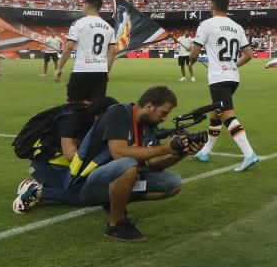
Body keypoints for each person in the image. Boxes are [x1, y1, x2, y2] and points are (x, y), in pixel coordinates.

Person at [68, 86, 202, 241]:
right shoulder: (118, 113)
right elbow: (119, 152)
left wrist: (181, 152)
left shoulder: (150, 126)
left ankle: (113, 201)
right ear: (150, 106)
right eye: (163, 113)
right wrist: (166, 148)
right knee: (128, 165)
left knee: (173, 183)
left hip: (113, 178)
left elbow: (154, 164)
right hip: (85, 184)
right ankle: (116, 225)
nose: (164, 118)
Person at [189, 0, 259, 172]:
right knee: (216, 114)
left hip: (218, 78)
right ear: (227, 6)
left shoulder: (206, 24)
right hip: (233, 77)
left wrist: (191, 60)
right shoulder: (237, 27)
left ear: (212, 5)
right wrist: (233, 65)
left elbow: (194, 54)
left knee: (227, 115)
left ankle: (249, 154)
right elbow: (249, 55)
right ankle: (205, 152)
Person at [12, 96, 119, 211]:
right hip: (47, 166)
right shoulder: (72, 118)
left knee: (97, 186)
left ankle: (46, 184)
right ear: (102, 114)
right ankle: (36, 191)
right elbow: (69, 154)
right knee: (84, 195)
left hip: (67, 166)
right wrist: (101, 159)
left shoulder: (93, 121)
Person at [55, 0, 117, 103]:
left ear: (87, 6)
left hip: (82, 70)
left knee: (73, 105)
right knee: (96, 107)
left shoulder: (78, 24)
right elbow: (112, 52)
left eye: (83, 5)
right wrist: (106, 71)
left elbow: (69, 46)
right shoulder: (109, 28)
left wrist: (59, 68)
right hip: (100, 71)